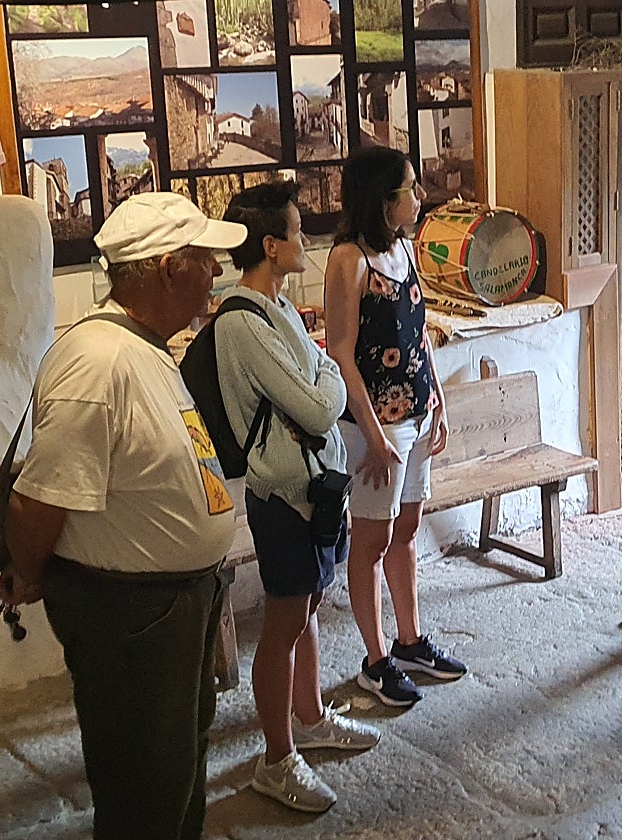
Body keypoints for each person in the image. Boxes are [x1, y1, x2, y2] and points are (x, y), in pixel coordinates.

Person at [0, 192, 247, 839]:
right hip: (133, 618)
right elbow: (35, 502)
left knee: (178, 771)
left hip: (173, 605)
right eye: (205, 258)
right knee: (144, 789)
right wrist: (27, 574)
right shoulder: (97, 362)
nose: (216, 271)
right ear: (167, 268)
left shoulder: (143, 347)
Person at [218, 182, 380, 813]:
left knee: (308, 605)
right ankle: (276, 758)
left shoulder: (278, 308)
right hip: (284, 493)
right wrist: (330, 373)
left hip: (316, 488)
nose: (305, 241)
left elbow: (317, 378)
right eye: (294, 231)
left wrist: (322, 371)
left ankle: (309, 719)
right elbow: (319, 404)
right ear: (269, 245)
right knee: (283, 623)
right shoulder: (242, 321)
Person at [324, 146, 466, 708]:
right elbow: (340, 352)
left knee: (407, 531)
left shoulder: (404, 250)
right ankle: (375, 658)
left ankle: (409, 640)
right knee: (372, 540)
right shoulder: (348, 260)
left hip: (416, 413)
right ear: (383, 201)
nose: (420, 195)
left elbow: (419, 330)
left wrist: (438, 399)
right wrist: (375, 435)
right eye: (410, 187)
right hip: (373, 427)